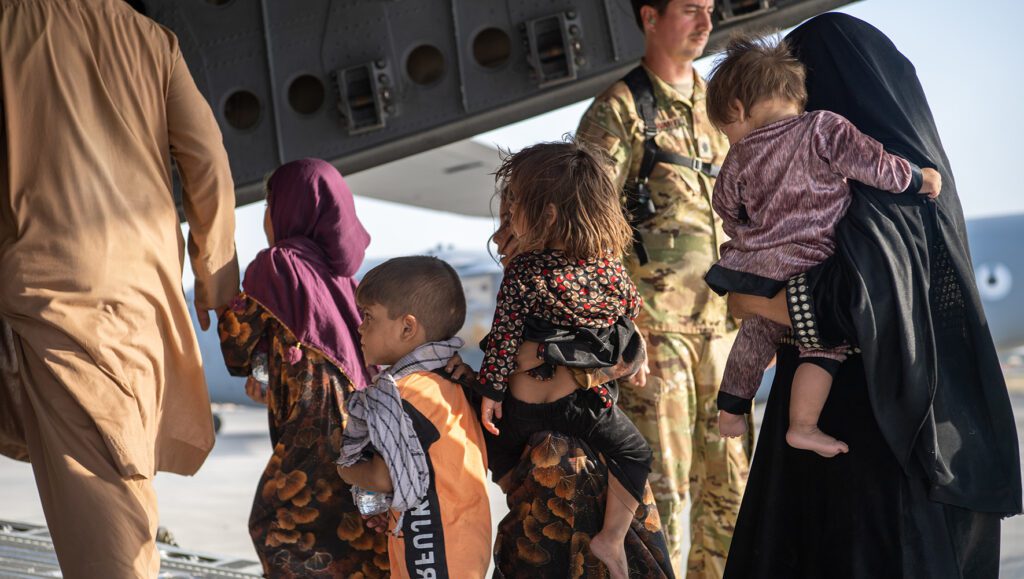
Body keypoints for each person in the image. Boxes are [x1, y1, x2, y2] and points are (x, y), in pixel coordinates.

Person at [721, 14, 1023, 578]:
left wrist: (752, 303)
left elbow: (852, 307)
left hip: (874, 467)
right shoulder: (913, 181)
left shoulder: (881, 200)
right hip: (922, 448)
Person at [0, 1, 239, 576]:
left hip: (58, 293)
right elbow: (206, 158)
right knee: (117, 462)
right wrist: (216, 274)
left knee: (104, 495)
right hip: (141, 288)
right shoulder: (152, 40)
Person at [701, 36, 941, 458]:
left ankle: (731, 408)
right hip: (813, 261)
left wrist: (746, 237)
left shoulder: (738, 158)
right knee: (823, 344)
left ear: (737, 109)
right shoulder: (822, 127)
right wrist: (920, 179)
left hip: (758, 263)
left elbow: (724, 205)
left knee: (755, 332)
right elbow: (875, 165)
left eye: (726, 129)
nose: (729, 139)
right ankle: (803, 424)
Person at [576, 1, 751, 575]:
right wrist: (620, 329)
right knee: (666, 495)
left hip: (723, 333)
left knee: (733, 494)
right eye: (689, 10)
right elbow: (586, 234)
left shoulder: (721, 105)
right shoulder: (619, 112)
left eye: (710, 10)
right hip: (657, 337)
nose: (706, 23)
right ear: (650, 16)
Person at [471, 141, 653, 579]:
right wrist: (634, 352)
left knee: (496, 459)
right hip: (586, 411)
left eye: (516, 203)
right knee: (636, 453)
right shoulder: (609, 268)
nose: (511, 213)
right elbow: (631, 309)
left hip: (525, 408)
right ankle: (611, 537)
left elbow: (504, 339)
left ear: (548, 215)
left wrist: (490, 392)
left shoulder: (524, 271)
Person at [217, 159, 388, 577]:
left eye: (268, 204)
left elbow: (236, 349)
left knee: (280, 528)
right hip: (363, 427)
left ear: (291, 208)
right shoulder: (346, 280)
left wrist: (219, 288)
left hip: (320, 427)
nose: (264, 217)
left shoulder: (277, 265)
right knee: (356, 543)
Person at [337, 256, 491, 579]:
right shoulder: (450, 383)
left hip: (432, 559)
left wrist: (346, 470)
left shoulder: (404, 394)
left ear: (407, 327)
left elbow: (383, 477)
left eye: (368, 316)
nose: (360, 326)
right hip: (463, 550)